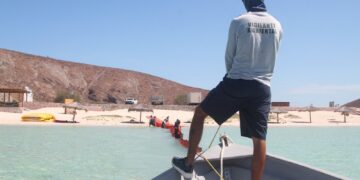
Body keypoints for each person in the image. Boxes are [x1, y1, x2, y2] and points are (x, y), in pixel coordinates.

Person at [172, 0, 282, 179]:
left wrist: (233, 83)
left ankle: (188, 163)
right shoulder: (277, 25)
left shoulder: (239, 21)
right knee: (259, 138)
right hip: (262, 88)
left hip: (236, 82)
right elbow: (272, 56)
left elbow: (229, 57)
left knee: (199, 114)